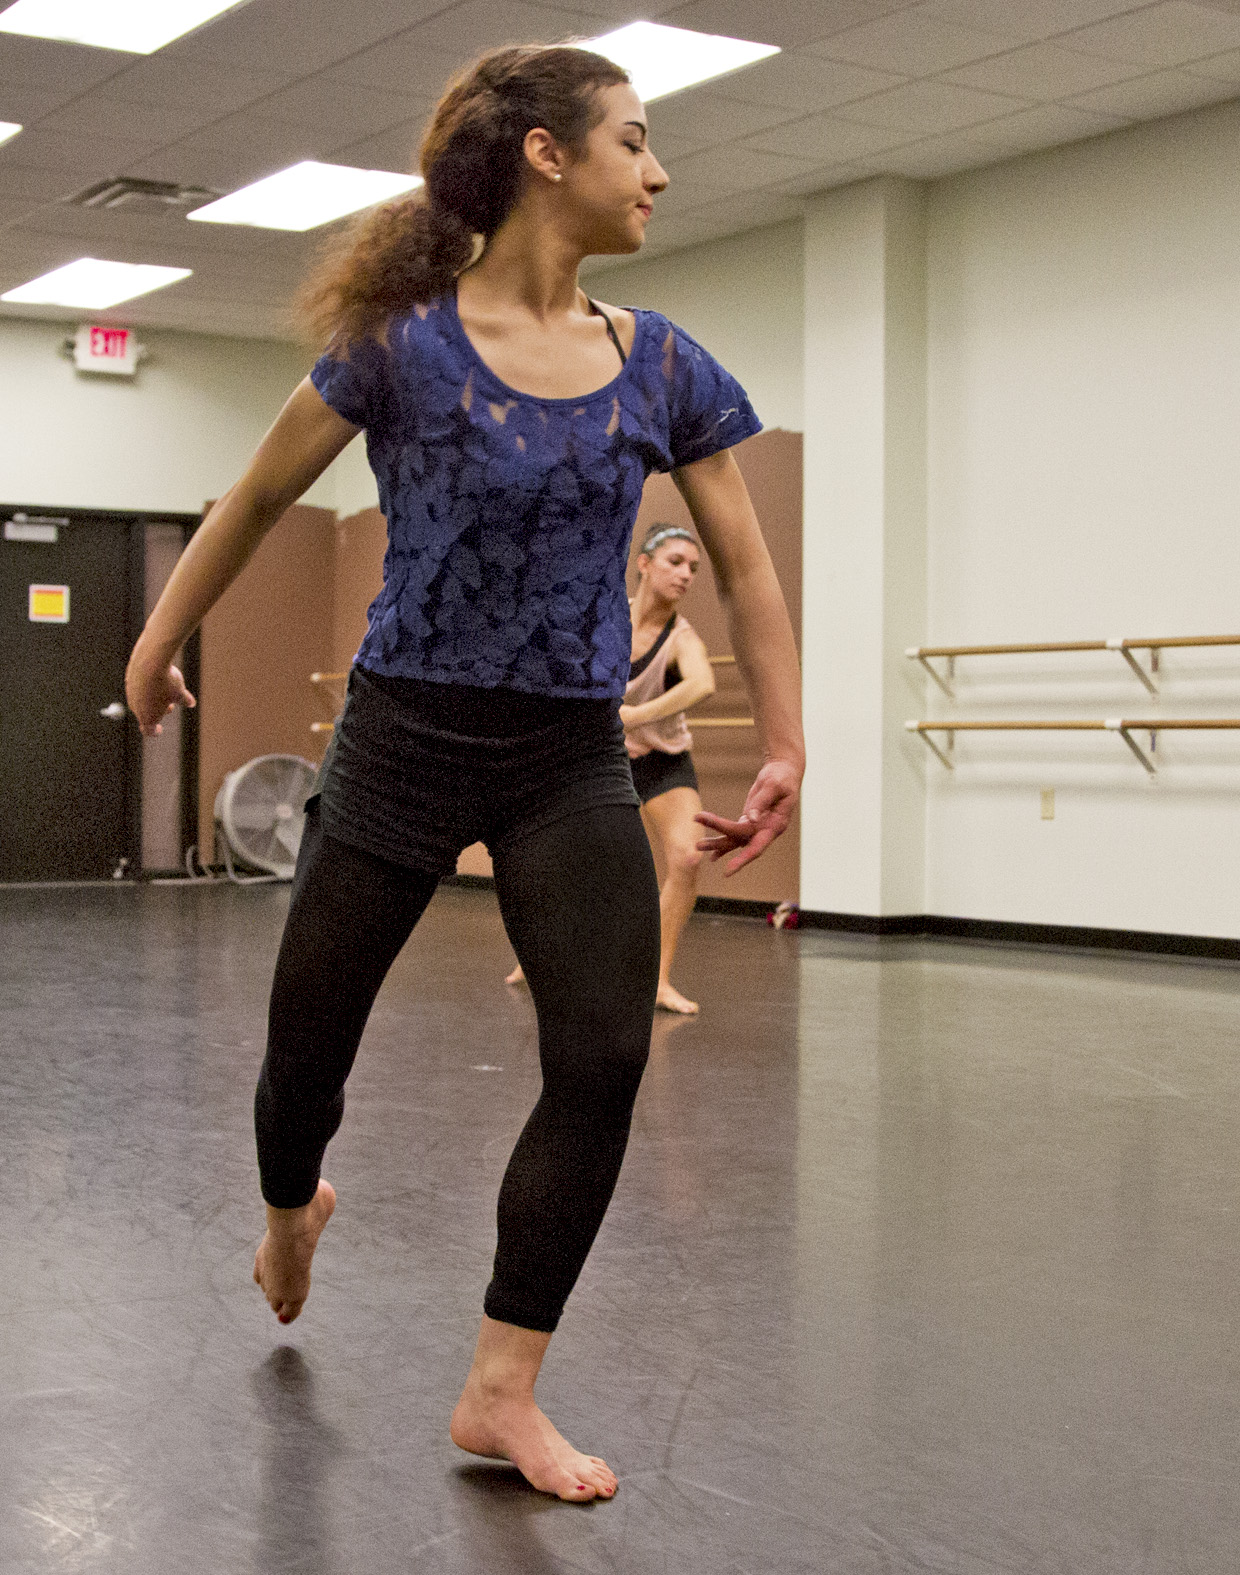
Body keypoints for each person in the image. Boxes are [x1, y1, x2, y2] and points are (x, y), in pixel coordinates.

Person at [124, 45, 801, 1504]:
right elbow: (257, 495)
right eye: (635, 140)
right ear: (549, 155)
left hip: (566, 751)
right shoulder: (402, 343)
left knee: (604, 1053)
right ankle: (294, 1200)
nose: (660, 170)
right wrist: (160, 636)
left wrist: (789, 735)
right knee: (306, 1046)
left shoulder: (663, 359)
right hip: (404, 741)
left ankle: (503, 1385)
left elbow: (742, 562)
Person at [506, 525, 721, 1013]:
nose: (685, 574)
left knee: (688, 857)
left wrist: (633, 716)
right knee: (556, 862)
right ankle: (536, 958)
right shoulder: (605, 620)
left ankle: (658, 979)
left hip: (662, 761)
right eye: (674, 561)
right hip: (599, 761)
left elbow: (702, 683)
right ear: (643, 564)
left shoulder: (682, 638)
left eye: (693, 567)